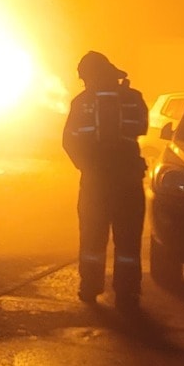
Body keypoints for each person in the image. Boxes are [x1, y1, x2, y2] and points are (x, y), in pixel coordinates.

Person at [62, 51, 149, 311]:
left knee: (92, 238)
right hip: (129, 182)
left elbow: (69, 140)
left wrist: (87, 166)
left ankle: (90, 288)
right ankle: (127, 294)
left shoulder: (82, 102)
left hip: (95, 183)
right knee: (128, 241)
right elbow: (141, 128)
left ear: (88, 76)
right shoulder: (133, 99)